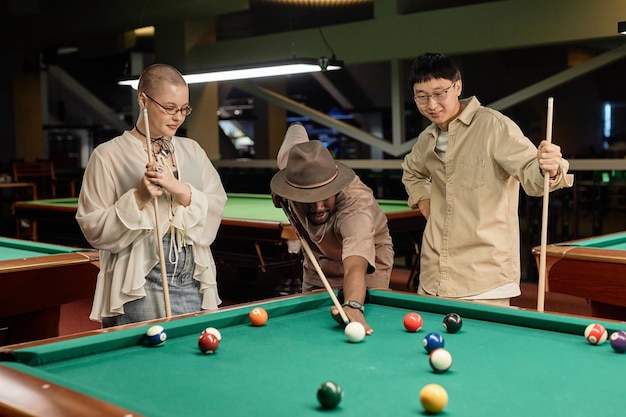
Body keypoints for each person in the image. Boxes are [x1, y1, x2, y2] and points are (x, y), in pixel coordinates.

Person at [401, 52, 573, 307]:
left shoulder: (494, 127)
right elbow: (411, 172)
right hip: (433, 275)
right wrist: (425, 201)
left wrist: (550, 167)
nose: (432, 104)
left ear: (457, 87)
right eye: (422, 96)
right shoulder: (427, 138)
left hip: (484, 279)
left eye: (439, 93)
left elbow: (532, 176)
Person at [76, 63, 227, 327]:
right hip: (140, 283)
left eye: (184, 109)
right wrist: (140, 196)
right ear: (143, 100)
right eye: (169, 108)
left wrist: (179, 188)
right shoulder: (108, 154)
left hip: (194, 278)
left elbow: (216, 205)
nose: (178, 117)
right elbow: (93, 228)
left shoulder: (193, 150)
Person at [270, 123, 394, 335]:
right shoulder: (294, 164)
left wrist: (354, 304)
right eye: (308, 199)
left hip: (367, 259)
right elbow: (295, 132)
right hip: (318, 258)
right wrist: (280, 191)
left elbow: (355, 264)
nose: (318, 207)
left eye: (325, 196)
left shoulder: (355, 208)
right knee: (310, 327)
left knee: (361, 312)